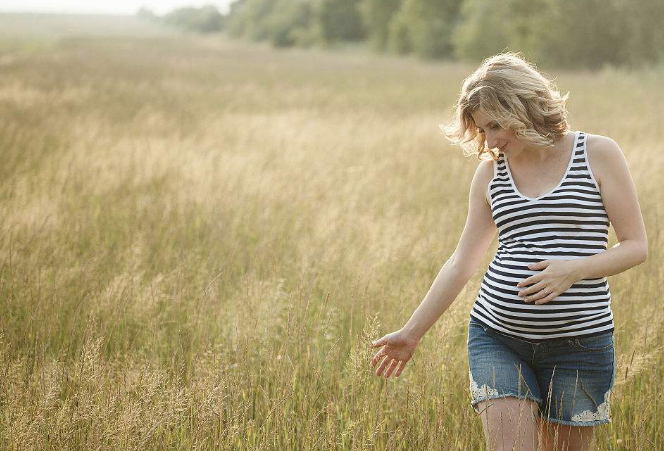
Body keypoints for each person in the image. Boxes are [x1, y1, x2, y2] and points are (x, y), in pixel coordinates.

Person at [369, 52, 648, 451]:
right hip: (498, 338)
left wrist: (572, 270)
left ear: (526, 104)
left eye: (496, 124)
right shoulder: (490, 174)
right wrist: (412, 333)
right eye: (483, 129)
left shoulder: (598, 154)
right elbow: (461, 262)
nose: (491, 139)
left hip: (581, 345)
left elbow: (636, 246)